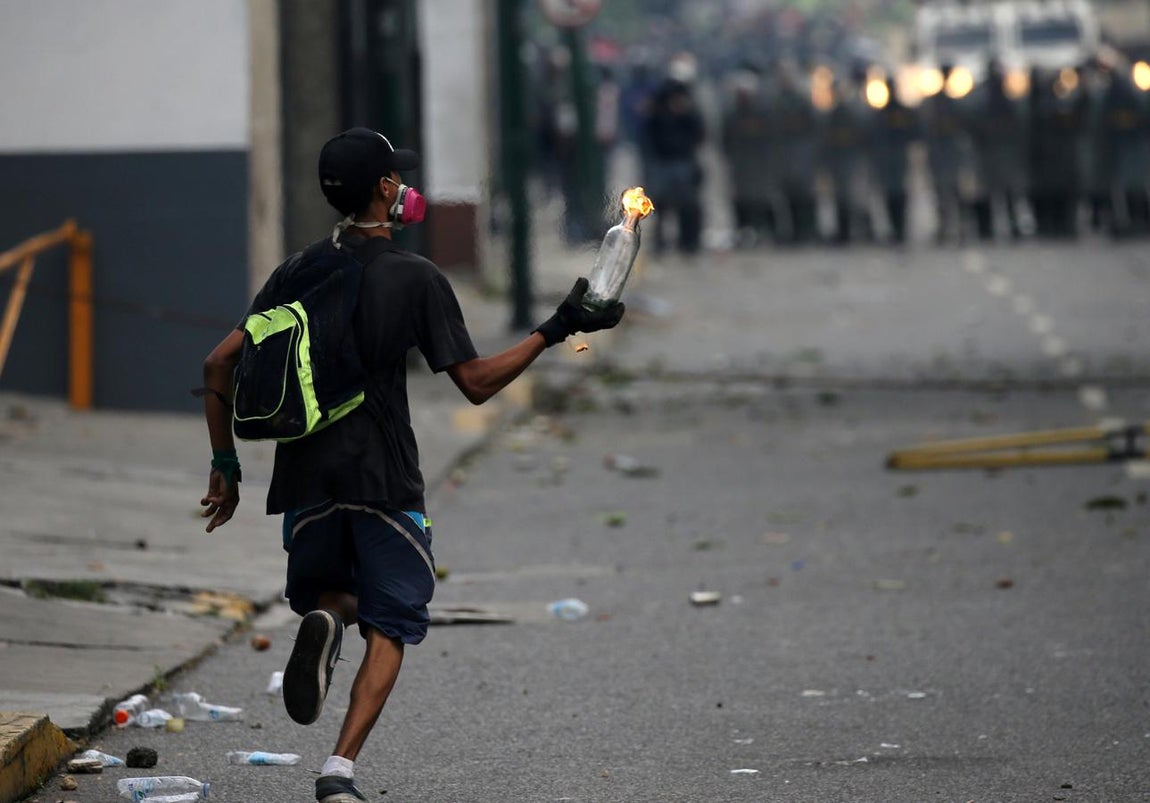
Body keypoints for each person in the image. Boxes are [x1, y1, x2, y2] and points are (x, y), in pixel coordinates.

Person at [198, 128, 624, 803]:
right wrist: (557, 326)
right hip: (383, 477)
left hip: (305, 480)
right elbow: (477, 383)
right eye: (398, 175)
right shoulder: (417, 277)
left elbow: (218, 362)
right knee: (392, 623)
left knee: (334, 593)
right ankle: (339, 770)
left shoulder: (295, 270)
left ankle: (329, 621)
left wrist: (225, 464)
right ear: (388, 191)